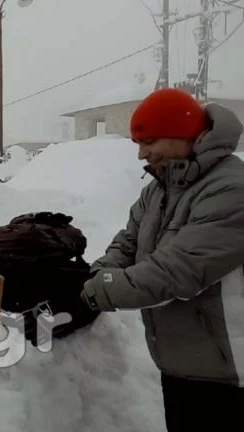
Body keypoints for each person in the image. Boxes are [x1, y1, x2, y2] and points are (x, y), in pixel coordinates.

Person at [79, 87, 244, 431]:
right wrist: (99, 274)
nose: (142, 154)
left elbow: (178, 271)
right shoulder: (158, 190)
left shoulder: (231, 188)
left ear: (181, 134)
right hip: (181, 362)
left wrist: (96, 292)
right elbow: (126, 244)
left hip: (230, 371)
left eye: (150, 142)